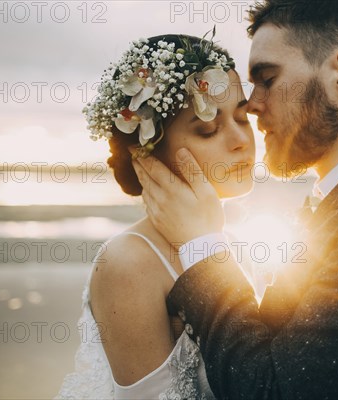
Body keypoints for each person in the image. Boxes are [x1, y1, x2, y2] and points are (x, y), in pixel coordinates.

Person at [133, 0, 338, 399]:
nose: (252, 105)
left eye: (268, 79)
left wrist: (203, 246)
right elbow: (276, 349)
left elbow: (272, 392)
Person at [56, 33, 256, 399]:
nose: (241, 140)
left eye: (242, 117)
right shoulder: (129, 261)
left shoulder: (227, 238)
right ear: (148, 152)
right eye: (208, 129)